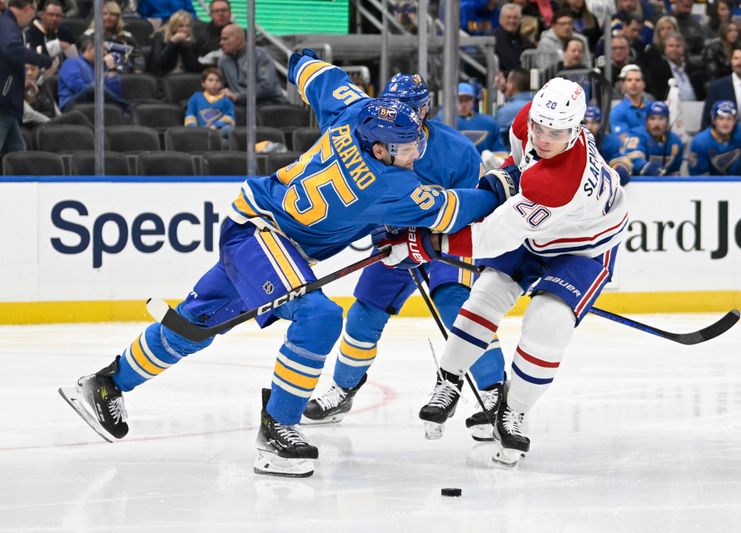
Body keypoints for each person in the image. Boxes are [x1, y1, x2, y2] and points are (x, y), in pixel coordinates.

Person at [58, 51, 518, 478]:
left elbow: (313, 73)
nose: (416, 151)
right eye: (406, 147)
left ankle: (105, 384)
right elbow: (456, 210)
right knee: (320, 315)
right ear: (380, 150)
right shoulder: (387, 184)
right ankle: (278, 429)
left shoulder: (354, 110)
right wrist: (500, 185)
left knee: (194, 323)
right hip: (265, 235)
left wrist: (300, 59)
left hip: (258, 226)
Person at [382, 77, 628, 465]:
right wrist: (505, 176)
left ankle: (514, 410)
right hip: (539, 229)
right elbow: (519, 166)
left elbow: (491, 238)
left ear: (578, 129)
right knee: (485, 296)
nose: (544, 138)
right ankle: (449, 380)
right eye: (540, 128)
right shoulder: (527, 122)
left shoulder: (559, 181)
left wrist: (425, 245)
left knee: (548, 321)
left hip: (583, 246)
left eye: (556, 133)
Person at [302, 73, 508, 441]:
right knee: (364, 312)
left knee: (457, 307)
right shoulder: (372, 140)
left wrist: (428, 239)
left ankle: (494, 393)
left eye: (413, 109)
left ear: (426, 109)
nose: (403, 117)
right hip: (396, 243)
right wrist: (381, 226)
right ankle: (344, 389)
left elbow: (474, 211)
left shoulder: (458, 151)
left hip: (445, 245)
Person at [0, 0, 53, 156]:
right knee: (18, 156)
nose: (32, 19)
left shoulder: (6, 24)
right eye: (33, 13)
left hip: (7, 104)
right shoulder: (6, 24)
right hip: (3, 103)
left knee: (18, 156)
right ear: (28, 8)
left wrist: (22, 82)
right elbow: (12, 50)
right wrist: (43, 60)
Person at [610, 101, 684, 180]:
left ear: (667, 122)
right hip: (637, 184)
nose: (656, 124)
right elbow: (634, 159)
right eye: (652, 118)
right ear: (646, 121)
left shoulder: (675, 142)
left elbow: (675, 172)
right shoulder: (636, 135)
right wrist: (646, 167)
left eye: (661, 118)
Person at [218, 24, 287, 105]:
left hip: (270, 103)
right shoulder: (223, 61)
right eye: (221, 39)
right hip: (241, 105)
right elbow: (222, 85)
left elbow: (267, 87)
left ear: (238, 39)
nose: (221, 43)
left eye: (225, 39)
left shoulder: (260, 56)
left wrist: (239, 96)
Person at [58, 35, 127, 111]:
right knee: (93, 88)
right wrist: (98, 90)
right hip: (70, 104)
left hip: (91, 102)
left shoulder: (97, 68)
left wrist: (112, 71)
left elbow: (115, 94)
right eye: (102, 49)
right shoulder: (72, 62)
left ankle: (125, 108)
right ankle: (126, 106)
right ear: (90, 48)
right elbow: (76, 86)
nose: (105, 53)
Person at [433, 82, 506, 153]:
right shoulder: (442, 121)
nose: (463, 104)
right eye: (460, 100)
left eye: (467, 100)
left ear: (473, 101)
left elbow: (499, 152)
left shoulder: (489, 124)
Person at [83, 0, 144, 74]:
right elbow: (84, 58)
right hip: (98, 75)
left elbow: (138, 57)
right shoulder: (88, 36)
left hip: (125, 75)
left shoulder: (127, 36)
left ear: (118, 17)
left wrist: (137, 71)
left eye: (112, 14)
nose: (108, 17)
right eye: (104, 14)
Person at [184, 66, 234, 145]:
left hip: (218, 131)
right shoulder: (196, 97)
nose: (214, 83)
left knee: (228, 130)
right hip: (201, 131)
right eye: (210, 80)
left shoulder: (225, 100)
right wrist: (193, 128)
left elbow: (229, 117)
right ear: (203, 83)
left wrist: (215, 126)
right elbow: (190, 114)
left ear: (221, 84)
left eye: (217, 81)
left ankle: (213, 139)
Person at [147, 9, 202, 76]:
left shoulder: (192, 40)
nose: (185, 29)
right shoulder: (159, 37)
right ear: (173, 26)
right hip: (164, 77)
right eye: (181, 26)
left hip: (185, 78)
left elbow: (193, 69)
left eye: (187, 26)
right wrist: (173, 42)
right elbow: (159, 64)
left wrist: (187, 47)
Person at [25, 0, 75, 65]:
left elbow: (76, 58)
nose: (55, 19)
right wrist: (57, 45)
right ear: (42, 14)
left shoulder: (65, 32)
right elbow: (28, 54)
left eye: (58, 16)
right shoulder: (30, 32)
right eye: (51, 15)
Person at [609, 64, 651, 138]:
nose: (633, 83)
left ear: (643, 84)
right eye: (629, 80)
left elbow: (662, 135)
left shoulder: (652, 107)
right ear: (623, 85)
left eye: (637, 80)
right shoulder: (617, 111)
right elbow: (623, 139)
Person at [496, 68, 533, 143]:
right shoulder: (538, 104)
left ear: (511, 86)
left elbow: (496, 137)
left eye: (508, 82)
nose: (506, 85)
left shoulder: (506, 110)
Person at [494, 2, 534, 72]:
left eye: (515, 17)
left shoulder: (526, 41)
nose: (512, 21)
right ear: (500, 19)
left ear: (520, 20)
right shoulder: (492, 39)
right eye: (508, 17)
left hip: (523, 79)